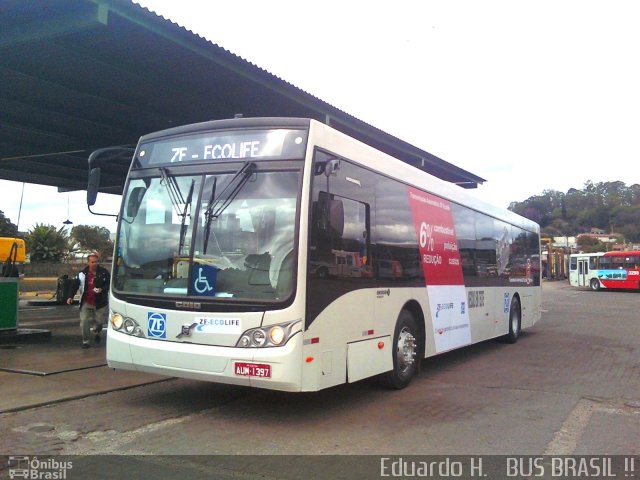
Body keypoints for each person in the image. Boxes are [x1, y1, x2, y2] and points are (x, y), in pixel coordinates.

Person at [66, 253, 110, 349]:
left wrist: (101, 289)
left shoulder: (104, 273)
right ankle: (86, 341)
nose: (95, 264)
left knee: (99, 322)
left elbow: (108, 285)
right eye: (92, 262)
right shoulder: (82, 274)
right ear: (88, 262)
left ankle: (96, 331)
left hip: (100, 302)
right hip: (86, 301)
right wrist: (70, 297)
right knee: (84, 321)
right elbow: (75, 285)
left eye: (96, 262)